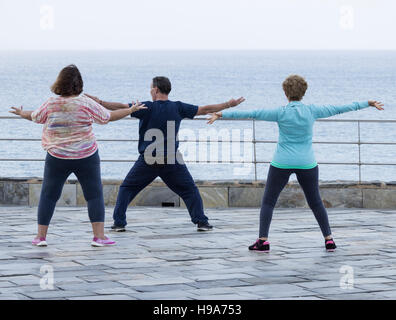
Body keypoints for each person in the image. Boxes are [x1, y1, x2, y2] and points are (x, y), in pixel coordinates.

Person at [208, 74, 384, 252]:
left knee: (268, 201)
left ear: (286, 93)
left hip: (281, 162)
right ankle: (329, 239)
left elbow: (251, 113)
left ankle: (263, 241)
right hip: (307, 163)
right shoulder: (312, 111)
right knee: (315, 202)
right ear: (303, 92)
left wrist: (221, 114)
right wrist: (367, 103)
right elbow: (340, 108)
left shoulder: (280, 112)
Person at [9, 64, 146, 247]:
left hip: (57, 156)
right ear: (79, 84)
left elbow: (34, 116)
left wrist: (20, 113)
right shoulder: (85, 102)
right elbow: (108, 117)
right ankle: (99, 237)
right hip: (86, 156)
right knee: (94, 195)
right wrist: (130, 111)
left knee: (49, 195)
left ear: (59, 82)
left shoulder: (51, 103)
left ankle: (40, 237)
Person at [87, 76, 245, 232]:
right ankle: (202, 222)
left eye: (150, 88)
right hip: (171, 159)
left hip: (148, 159)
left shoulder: (145, 107)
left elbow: (119, 106)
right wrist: (228, 104)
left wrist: (99, 102)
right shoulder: (178, 107)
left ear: (155, 90)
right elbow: (204, 109)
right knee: (189, 190)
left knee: (127, 188)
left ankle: (119, 223)